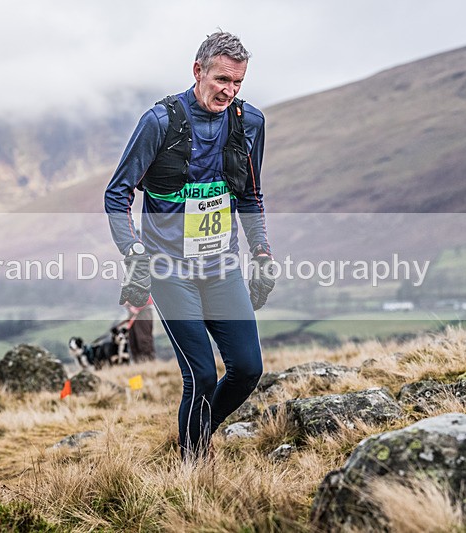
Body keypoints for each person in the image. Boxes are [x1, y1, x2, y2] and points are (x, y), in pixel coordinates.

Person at [104, 31, 276, 461]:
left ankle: (194, 434)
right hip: (168, 269)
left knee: (247, 369)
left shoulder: (248, 122)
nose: (229, 91)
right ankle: (192, 469)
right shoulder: (159, 122)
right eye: (221, 79)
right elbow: (117, 194)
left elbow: (249, 195)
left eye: (238, 83)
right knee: (199, 374)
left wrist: (261, 252)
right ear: (197, 71)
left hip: (221, 265)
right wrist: (134, 252)